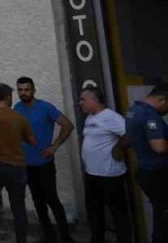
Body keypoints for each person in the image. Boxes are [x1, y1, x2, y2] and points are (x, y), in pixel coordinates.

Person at [14, 77, 75, 242]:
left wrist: (54, 146)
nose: (23, 93)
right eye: (20, 90)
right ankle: (49, 236)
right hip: (27, 165)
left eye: (26, 89)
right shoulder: (17, 108)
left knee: (52, 199)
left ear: (33, 90)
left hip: (44, 164)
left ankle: (66, 237)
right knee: (37, 202)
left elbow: (68, 125)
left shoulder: (45, 107)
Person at [0, 83, 35, 243]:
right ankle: (21, 239)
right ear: (9, 97)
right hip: (16, 166)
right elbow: (32, 140)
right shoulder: (19, 117)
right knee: (18, 208)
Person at [78, 86, 132, 242]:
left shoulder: (111, 117)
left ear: (94, 100)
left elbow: (130, 133)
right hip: (92, 174)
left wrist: (119, 147)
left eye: (83, 99)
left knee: (118, 213)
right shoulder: (90, 118)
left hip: (110, 175)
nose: (80, 102)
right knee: (95, 212)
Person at [126, 83, 168, 242]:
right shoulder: (150, 115)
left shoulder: (133, 111)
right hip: (157, 173)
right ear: (163, 100)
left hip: (145, 170)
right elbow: (159, 146)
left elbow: (129, 138)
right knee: (164, 218)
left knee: (161, 214)